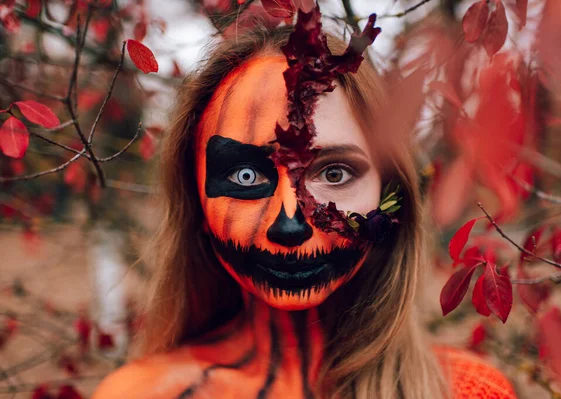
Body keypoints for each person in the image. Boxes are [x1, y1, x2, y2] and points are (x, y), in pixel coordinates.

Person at [92, 19, 517, 399]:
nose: (289, 222)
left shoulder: (465, 392)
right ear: (197, 200)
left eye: (334, 174)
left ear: (389, 201)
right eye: (245, 175)